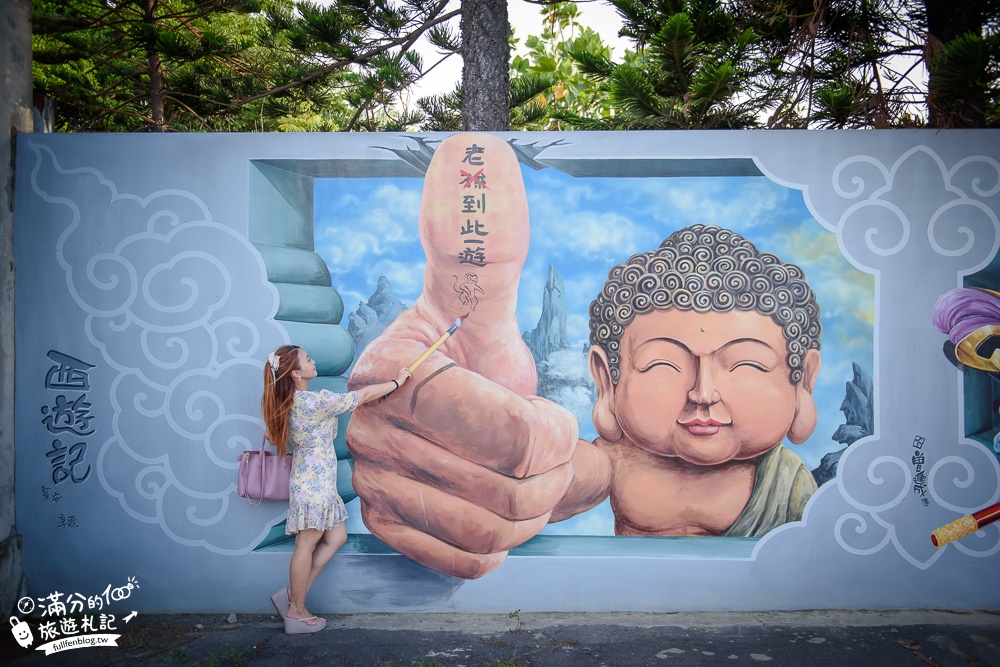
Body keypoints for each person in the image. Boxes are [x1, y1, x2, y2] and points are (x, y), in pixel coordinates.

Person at [345, 132, 822, 580]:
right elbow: (572, 474)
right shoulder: (621, 461)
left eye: (747, 365)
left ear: (803, 383)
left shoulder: (788, 486)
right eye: (662, 365)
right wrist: (489, 463)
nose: (702, 394)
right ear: (606, 380)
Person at [262, 344, 410, 634]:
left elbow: (271, 434)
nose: (313, 361)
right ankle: (297, 612)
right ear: (295, 374)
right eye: (307, 359)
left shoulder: (287, 403)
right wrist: (397, 382)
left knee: (336, 536)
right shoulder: (315, 402)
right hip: (315, 485)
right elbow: (363, 396)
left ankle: (295, 595)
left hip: (312, 481)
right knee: (306, 544)